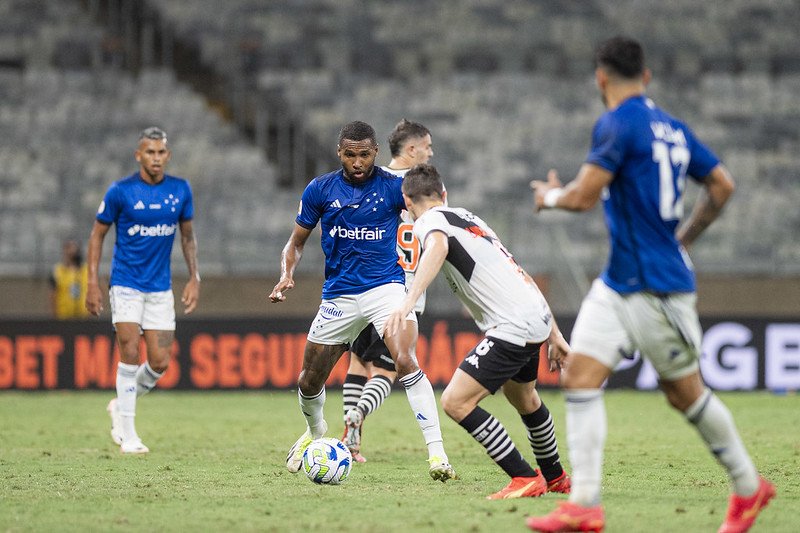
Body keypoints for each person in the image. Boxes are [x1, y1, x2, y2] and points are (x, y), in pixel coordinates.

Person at [526, 36, 775, 533]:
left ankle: (749, 488)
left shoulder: (617, 123)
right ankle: (585, 506)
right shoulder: (675, 129)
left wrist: (549, 197)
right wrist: (682, 239)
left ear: (601, 78)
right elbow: (722, 185)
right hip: (621, 283)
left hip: (656, 289)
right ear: (647, 76)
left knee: (685, 396)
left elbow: (582, 198)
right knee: (579, 377)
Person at [270, 120, 455, 482]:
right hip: (338, 293)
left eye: (365, 155)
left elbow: (429, 219)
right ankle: (316, 432)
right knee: (309, 380)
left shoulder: (393, 188)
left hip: (385, 289)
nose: (357, 162)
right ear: (339, 152)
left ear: (376, 154)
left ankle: (437, 455)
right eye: (350, 155)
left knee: (405, 359)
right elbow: (296, 242)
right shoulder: (320, 189)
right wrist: (286, 273)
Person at [385, 163, 572, 499]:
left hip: (513, 324)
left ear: (407, 201)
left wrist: (406, 301)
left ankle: (524, 477)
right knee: (523, 397)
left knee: (456, 402)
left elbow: (439, 248)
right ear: (444, 194)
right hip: (535, 316)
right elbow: (518, 273)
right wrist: (554, 334)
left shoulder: (430, 220)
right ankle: (556, 477)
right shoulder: (472, 221)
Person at [86, 127, 200, 454]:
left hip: (159, 287)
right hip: (125, 284)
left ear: (168, 155)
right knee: (130, 352)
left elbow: (188, 237)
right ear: (139, 155)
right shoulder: (120, 191)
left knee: (161, 362)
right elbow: (97, 235)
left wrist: (195, 278)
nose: (156, 158)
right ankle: (129, 434)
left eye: (161, 152)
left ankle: (119, 404)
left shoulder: (180, 190)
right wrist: (92, 281)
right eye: (149, 152)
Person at [341, 119, 435, 463]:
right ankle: (359, 414)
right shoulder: (421, 191)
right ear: (411, 150)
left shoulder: (369, 180)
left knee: (356, 359)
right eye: (427, 146)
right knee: (387, 370)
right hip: (404, 294)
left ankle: (351, 444)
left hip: (366, 286)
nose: (430, 152)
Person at [50, 239, 90, 319]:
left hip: (84, 317)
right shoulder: (58, 271)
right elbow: (52, 295)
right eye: (67, 248)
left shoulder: (86, 270)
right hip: (64, 317)